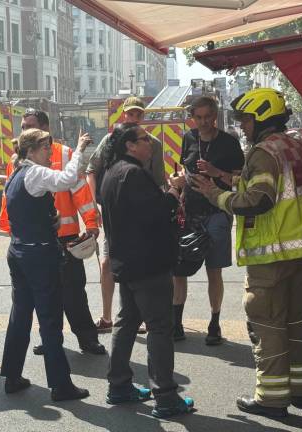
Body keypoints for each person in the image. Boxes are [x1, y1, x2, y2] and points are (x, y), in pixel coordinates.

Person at [192, 88, 302, 418]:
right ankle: (300, 389)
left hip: (271, 257)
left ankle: (272, 398)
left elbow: (259, 199)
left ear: (262, 118)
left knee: (269, 327)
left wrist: (215, 196)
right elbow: (269, 185)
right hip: (300, 253)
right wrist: (225, 177)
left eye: (247, 120)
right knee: (295, 322)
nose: (243, 127)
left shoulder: (263, 152)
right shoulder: (297, 147)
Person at [100, 123, 194, 418]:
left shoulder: (112, 173)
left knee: (126, 322)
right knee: (159, 328)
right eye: (144, 140)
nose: (150, 144)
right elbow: (155, 214)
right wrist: (174, 190)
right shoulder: (133, 174)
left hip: (126, 263)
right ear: (129, 145)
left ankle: (119, 386)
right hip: (148, 264)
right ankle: (165, 395)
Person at [0, 109, 105, 356]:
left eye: (30, 126)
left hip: (66, 238)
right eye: (23, 126)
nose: (24, 131)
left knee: (73, 292)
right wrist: (11, 230)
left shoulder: (64, 154)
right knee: (44, 297)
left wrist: (91, 223)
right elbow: (9, 198)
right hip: (35, 240)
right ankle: (50, 339)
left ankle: (87, 339)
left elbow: (79, 190)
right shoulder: (17, 160)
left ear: (45, 128)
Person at [0, 127, 92, 402]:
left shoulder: (15, 174)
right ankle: (60, 385)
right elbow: (67, 179)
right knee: (50, 320)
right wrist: (79, 149)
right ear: (30, 151)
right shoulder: (35, 173)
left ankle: (12, 376)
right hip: (39, 255)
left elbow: (22, 212)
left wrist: (45, 222)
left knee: (20, 315)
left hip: (18, 250)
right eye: (44, 149)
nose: (49, 154)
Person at [85, 96, 164, 333]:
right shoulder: (110, 141)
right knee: (108, 262)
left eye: (138, 114)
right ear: (124, 115)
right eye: (130, 114)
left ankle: (134, 317)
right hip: (112, 213)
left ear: (143, 117)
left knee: (135, 264)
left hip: (139, 215)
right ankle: (107, 316)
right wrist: (93, 206)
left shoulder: (153, 144)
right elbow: (91, 170)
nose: (134, 118)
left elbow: (158, 179)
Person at [173, 95, 245, 345]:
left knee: (214, 271)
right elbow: (185, 168)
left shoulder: (229, 143)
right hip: (190, 213)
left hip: (217, 213)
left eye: (208, 117)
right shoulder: (188, 138)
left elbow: (240, 180)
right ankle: (176, 322)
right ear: (192, 117)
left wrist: (217, 174)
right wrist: (180, 182)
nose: (203, 122)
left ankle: (214, 323)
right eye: (198, 117)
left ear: (215, 117)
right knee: (178, 269)